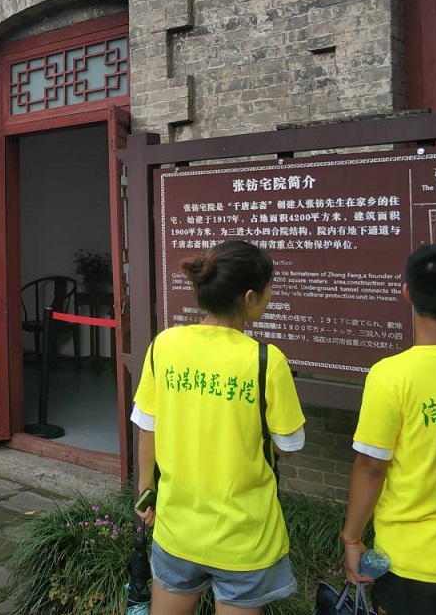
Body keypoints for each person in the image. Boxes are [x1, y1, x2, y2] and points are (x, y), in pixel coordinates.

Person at [131, 240, 306, 615]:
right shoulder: (266, 360)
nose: (271, 294)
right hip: (244, 538)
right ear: (249, 297)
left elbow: (148, 426)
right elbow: (289, 444)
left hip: (176, 529)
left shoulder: (165, 345)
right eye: (269, 287)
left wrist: (146, 488)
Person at [342, 244, 436, 614]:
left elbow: (371, 467)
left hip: (410, 561)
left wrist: (351, 537)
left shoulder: (391, 376)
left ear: (407, 293)